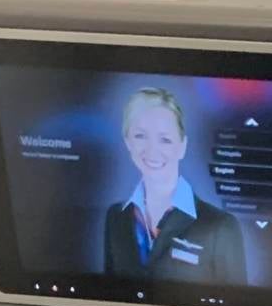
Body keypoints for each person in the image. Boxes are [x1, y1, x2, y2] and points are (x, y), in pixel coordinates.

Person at [101, 86, 247, 283]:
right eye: (140, 136)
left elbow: (235, 300)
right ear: (128, 142)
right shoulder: (116, 217)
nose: (152, 150)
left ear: (182, 146)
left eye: (165, 139)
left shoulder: (220, 226)